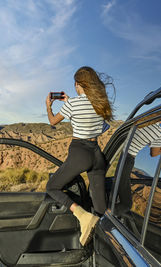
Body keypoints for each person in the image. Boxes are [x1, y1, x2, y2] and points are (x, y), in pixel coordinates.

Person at [45, 66, 113, 246]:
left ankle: (83, 216)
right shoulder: (100, 104)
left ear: (78, 84)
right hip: (97, 154)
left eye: (75, 84)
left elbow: (52, 122)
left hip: (80, 152)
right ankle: (106, 243)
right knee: (100, 208)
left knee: (52, 187)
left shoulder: (73, 104)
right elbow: (104, 127)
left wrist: (49, 106)